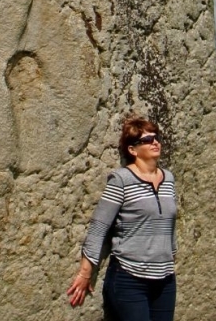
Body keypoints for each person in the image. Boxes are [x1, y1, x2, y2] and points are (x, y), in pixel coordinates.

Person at [67, 116, 178, 320]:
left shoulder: (168, 179)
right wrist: (85, 273)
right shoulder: (121, 180)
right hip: (130, 279)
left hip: (165, 279)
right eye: (146, 140)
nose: (155, 142)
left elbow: (169, 223)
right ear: (132, 150)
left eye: (156, 137)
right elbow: (99, 226)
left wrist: (171, 255)